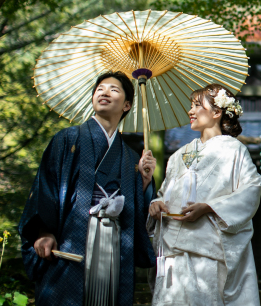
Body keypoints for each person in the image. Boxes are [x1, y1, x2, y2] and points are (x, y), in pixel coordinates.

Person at [18, 71, 157, 306]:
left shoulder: (132, 157)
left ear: (127, 105)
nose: (104, 92)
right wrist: (43, 232)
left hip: (115, 242)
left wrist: (143, 182)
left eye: (114, 90)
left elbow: (137, 212)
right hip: (72, 238)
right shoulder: (67, 139)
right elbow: (47, 186)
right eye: (100, 89)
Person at [149, 83, 261, 306]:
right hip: (173, 245)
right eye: (191, 106)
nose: (190, 111)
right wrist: (157, 202)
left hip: (208, 245)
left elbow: (251, 188)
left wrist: (209, 207)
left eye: (197, 105)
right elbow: (166, 192)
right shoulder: (180, 154)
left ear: (216, 112)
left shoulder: (234, 149)